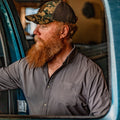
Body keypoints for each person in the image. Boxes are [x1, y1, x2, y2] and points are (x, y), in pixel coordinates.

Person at [0, 0, 110, 116]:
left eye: (43, 26)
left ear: (63, 31)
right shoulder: (27, 66)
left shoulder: (89, 73)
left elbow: (105, 117)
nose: (35, 31)